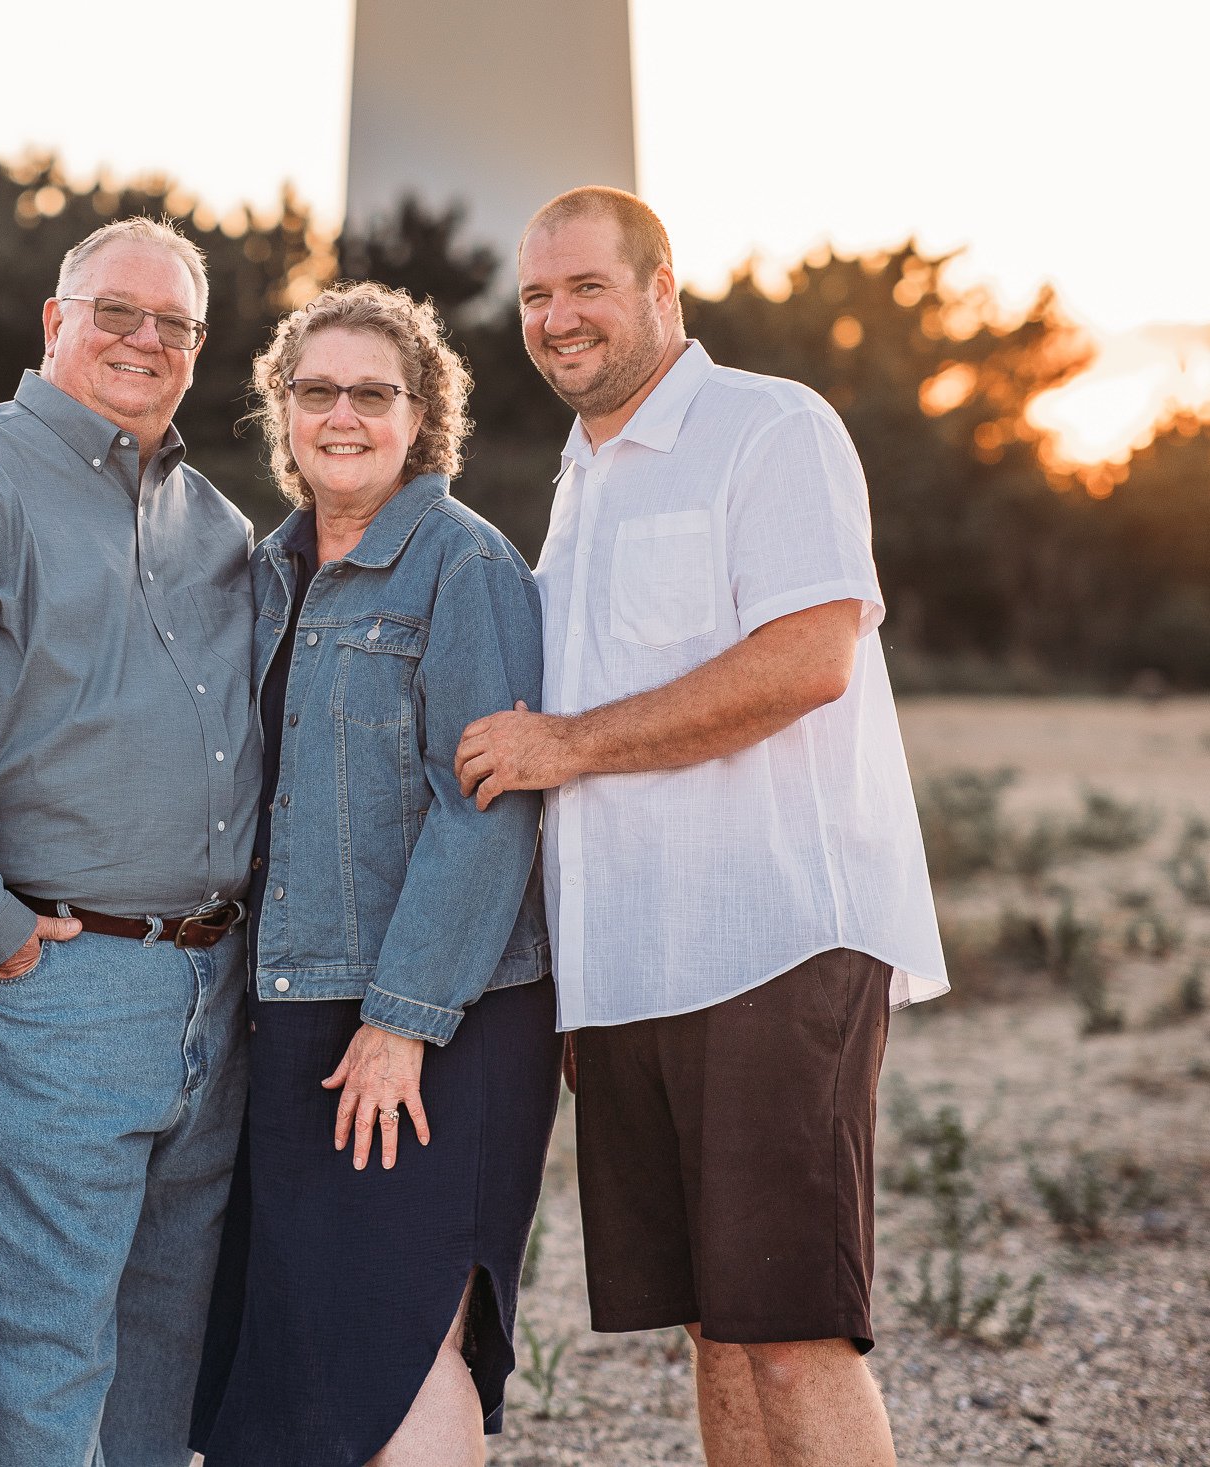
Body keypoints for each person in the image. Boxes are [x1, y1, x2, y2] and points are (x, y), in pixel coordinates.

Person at [453, 186, 948, 1467]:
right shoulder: (579, 481)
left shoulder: (766, 428)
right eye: (535, 296)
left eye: (587, 288)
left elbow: (806, 659)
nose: (557, 319)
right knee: (715, 1330)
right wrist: (580, 984)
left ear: (662, 288)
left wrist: (564, 745)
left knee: (791, 1327)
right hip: (636, 973)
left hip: (771, 946)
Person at [0, 217, 260, 1467]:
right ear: (53, 320)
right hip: (51, 981)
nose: (144, 341)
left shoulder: (220, 523)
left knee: (161, 1351)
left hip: (213, 984)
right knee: (40, 1353)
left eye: (174, 324)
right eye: (114, 312)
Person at [188, 282, 558, 1467]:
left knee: (397, 1342)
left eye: (372, 394)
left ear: (421, 417)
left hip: (436, 1019)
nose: (340, 416)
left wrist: (402, 1023)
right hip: (295, 1008)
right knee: (304, 1350)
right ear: (281, 409)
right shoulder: (266, 572)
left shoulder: (464, 567)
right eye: (315, 391)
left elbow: (485, 811)